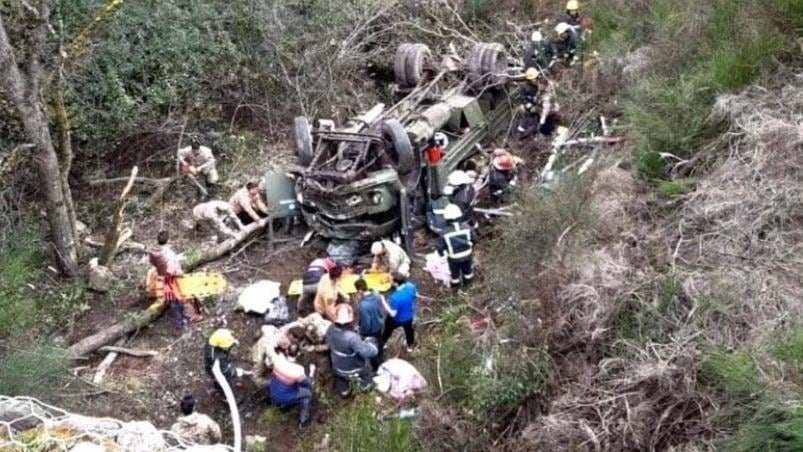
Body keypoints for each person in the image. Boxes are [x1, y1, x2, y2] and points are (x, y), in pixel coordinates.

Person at [325, 304, 378, 398]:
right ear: (350, 320)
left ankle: (344, 392)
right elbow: (369, 352)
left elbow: (328, 342)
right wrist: (371, 342)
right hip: (354, 368)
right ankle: (366, 387)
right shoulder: (352, 338)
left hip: (338, 368)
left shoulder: (330, 330)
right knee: (366, 371)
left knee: (341, 379)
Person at [148, 230, 199, 327]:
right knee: (182, 297)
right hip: (172, 279)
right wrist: (180, 274)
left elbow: (152, 262)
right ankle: (185, 319)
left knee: (172, 300)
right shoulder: (169, 254)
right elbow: (171, 269)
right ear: (168, 240)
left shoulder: (153, 251)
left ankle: (181, 320)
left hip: (161, 277)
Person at [269, 351, 315, 427]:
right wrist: (311, 373)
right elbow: (308, 384)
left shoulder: (277, 359)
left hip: (273, 393)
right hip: (285, 397)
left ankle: (282, 407)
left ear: (286, 351)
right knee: (307, 394)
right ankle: (303, 421)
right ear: (298, 354)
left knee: (282, 385)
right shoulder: (298, 370)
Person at [436, 204, 477, 289]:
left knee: (455, 277)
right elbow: (474, 239)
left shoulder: (444, 232)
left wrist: (442, 254)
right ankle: (469, 288)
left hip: (453, 258)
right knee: (468, 273)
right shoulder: (467, 227)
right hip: (467, 255)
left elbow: (440, 247)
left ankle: (457, 292)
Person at [381, 272, 417, 353]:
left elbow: (393, 313)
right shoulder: (411, 286)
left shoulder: (395, 297)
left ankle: (383, 344)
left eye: (390, 280)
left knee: (387, 331)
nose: (389, 281)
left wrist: (383, 301)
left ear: (396, 283)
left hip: (396, 319)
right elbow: (415, 296)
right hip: (409, 316)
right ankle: (410, 346)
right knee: (409, 331)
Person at [204, 329, 247, 395]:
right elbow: (225, 371)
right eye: (227, 346)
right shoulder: (215, 358)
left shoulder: (215, 339)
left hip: (218, 361)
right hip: (215, 369)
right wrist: (236, 372)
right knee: (225, 382)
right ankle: (224, 395)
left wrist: (233, 342)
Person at [355, 278, 384, 371]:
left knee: (371, 349)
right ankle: (381, 356)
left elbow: (366, 323)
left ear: (360, 290)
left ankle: (376, 367)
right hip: (379, 324)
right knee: (379, 342)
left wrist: (361, 331)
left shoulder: (363, 305)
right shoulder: (377, 295)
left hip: (370, 331)